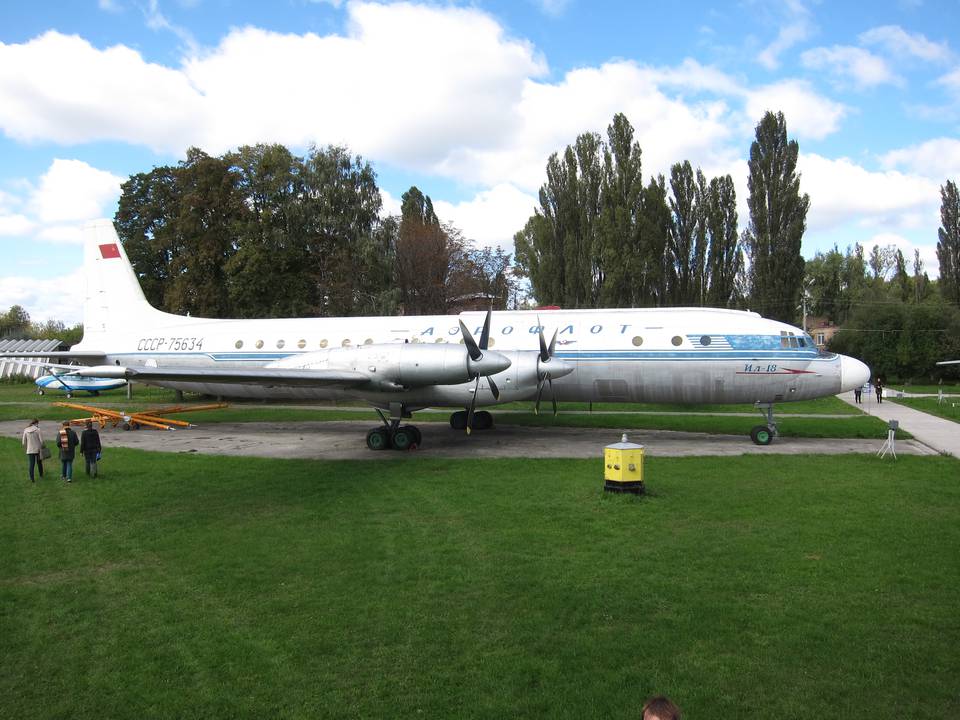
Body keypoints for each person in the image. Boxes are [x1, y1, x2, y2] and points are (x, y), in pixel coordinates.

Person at [22, 418, 45, 483]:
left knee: (31, 464)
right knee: (39, 463)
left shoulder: (26, 430)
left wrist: (26, 448)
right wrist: (42, 446)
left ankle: (32, 478)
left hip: (30, 450)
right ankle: (41, 475)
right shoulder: (38, 430)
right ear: (36, 423)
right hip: (38, 449)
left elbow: (23, 442)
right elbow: (42, 441)